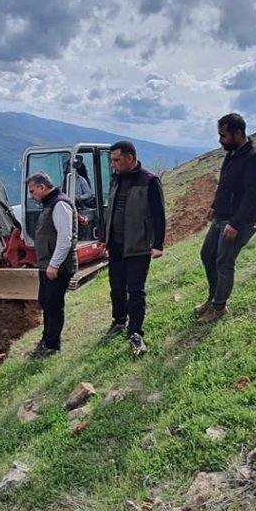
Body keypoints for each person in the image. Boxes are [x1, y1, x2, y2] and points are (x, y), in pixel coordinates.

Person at [197, 113, 256, 324]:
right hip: (222, 216)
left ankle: (219, 307)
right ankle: (213, 298)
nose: (220, 140)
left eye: (223, 136)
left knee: (224, 262)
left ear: (238, 133)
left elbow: (250, 195)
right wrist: (214, 206)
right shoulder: (233, 153)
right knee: (207, 255)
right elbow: (224, 185)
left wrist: (235, 224)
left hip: (238, 221)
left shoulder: (254, 158)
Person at [101, 140, 166, 356]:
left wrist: (158, 244)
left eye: (117, 160)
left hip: (138, 245)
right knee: (116, 287)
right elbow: (110, 211)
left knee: (135, 291)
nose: (113, 165)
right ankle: (119, 321)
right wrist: (106, 238)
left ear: (130, 158)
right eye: (112, 160)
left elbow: (159, 215)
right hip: (117, 246)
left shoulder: (149, 181)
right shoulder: (115, 180)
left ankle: (135, 332)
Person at [27, 172, 77, 359]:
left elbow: (65, 239)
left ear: (42, 187)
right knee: (46, 302)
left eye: (33, 191)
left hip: (58, 267)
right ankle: (46, 339)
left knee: (54, 305)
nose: (32, 195)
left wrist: (54, 265)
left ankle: (52, 345)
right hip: (48, 265)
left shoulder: (60, 204)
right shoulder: (49, 203)